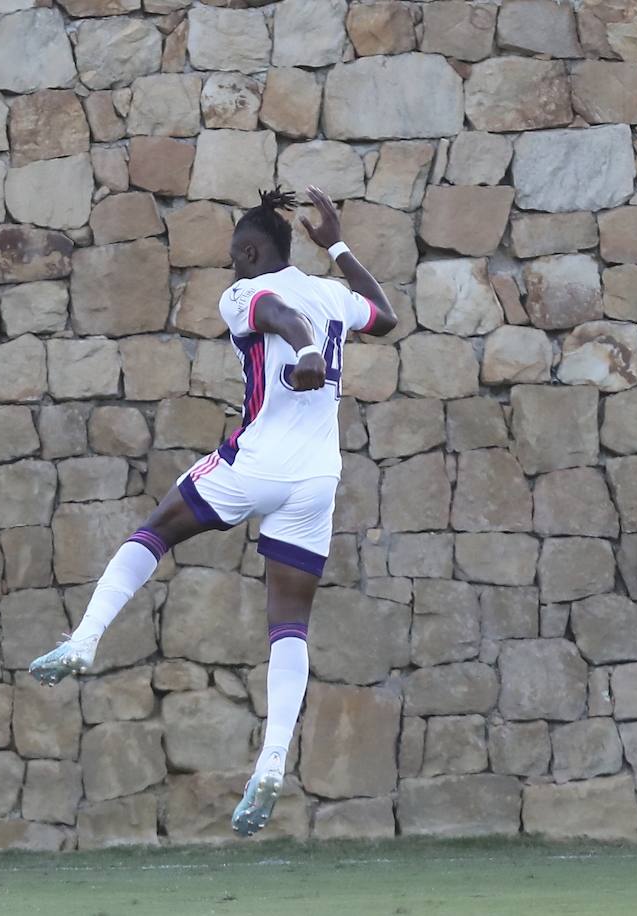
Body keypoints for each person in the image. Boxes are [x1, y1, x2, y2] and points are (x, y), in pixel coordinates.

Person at [29, 185, 397, 837]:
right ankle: (273, 761)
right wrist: (336, 244)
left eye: (235, 255)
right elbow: (385, 314)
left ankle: (84, 639)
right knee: (290, 624)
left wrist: (308, 351)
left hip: (256, 464)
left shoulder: (241, 295)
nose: (231, 267)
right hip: (317, 479)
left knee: (156, 530)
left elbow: (279, 315)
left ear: (251, 251)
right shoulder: (334, 294)